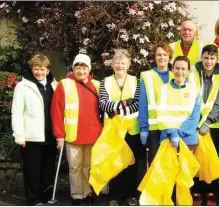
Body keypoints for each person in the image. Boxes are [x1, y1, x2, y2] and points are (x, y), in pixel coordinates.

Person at [51, 54, 103, 205]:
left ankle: (87, 192)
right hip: (73, 134)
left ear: (89, 69)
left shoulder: (97, 85)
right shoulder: (64, 84)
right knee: (75, 167)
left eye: (84, 67)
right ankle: (77, 195)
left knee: (88, 167)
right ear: (73, 68)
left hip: (93, 134)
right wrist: (59, 135)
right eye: (78, 67)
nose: (81, 71)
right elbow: (57, 111)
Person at [11, 54, 58, 206]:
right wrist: (19, 135)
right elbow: (17, 112)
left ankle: (46, 196)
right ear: (31, 69)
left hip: (50, 135)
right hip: (31, 136)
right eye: (36, 69)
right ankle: (34, 199)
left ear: (48, 70)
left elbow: (59, 110)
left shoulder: (54, 85)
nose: (39, 72)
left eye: (42, 69)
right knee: (33, 170)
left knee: (48, 169)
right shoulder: (22, 86)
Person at [98, 49, 140, 206]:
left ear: (128, 65)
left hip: (131, 129)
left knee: (131, 163)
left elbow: (137, 104)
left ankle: (130, 195)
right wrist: (124, 103)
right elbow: (103, 104)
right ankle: (114, 196)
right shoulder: (106, 82)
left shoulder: (136, 81)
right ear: (112, 65)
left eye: (123, 62)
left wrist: (115, 110)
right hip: (113, 130)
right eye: (117, 62)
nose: (120, 65)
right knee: (114, 162)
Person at [191, 44, 219, 205]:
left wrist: (208, 122)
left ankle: (211, 192)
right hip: (194, 126)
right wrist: (196, 123)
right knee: (195, 159)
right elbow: (188, 98)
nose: (208, 61)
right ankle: (196, 192)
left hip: (213, 127)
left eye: (212, 58)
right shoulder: (192, 75)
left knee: (213, 159)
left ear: (217, 60)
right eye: (206, 57)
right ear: (201, 58)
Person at [155, 56, 201, 149]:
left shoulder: (194, 90)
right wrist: (172, 132)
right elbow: (161, 114)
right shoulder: (163, 89)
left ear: (188, 71)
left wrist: (178, 133)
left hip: (188, 138)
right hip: (168, 137)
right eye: (177, 68)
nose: (180, 72)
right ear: (172, 69)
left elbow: (195, 117)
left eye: (183, 69)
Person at [138, 43, 173, 165]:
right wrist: (143, 128)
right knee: (156, 165)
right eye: (159, 54)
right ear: (154, 57)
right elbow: (142, 104)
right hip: (154, 129)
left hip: (172, 128)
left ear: (169, 57)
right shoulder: (147, 76)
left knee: (171, 165)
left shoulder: (176, 75)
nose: (162, 57)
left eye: (165, 54)